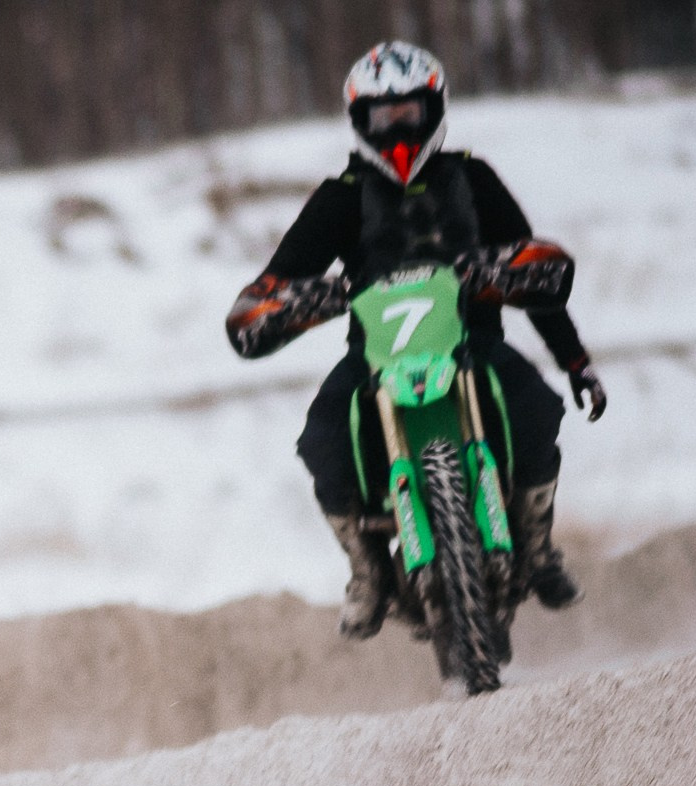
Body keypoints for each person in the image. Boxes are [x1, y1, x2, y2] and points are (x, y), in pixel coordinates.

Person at [224, 41, 605, 639]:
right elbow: (278, 277)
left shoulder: (473, 178)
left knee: (536, 409)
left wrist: (575, 360)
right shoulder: (340, 195)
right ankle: (367, 571)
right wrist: (284, 302)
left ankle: (537, 548)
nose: (397, 128)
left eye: (409, 113)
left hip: (472, 342)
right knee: (322, 437)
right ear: (359, 122)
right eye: (382, 117)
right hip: (374, 358)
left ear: (435, 108)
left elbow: (532, 271)